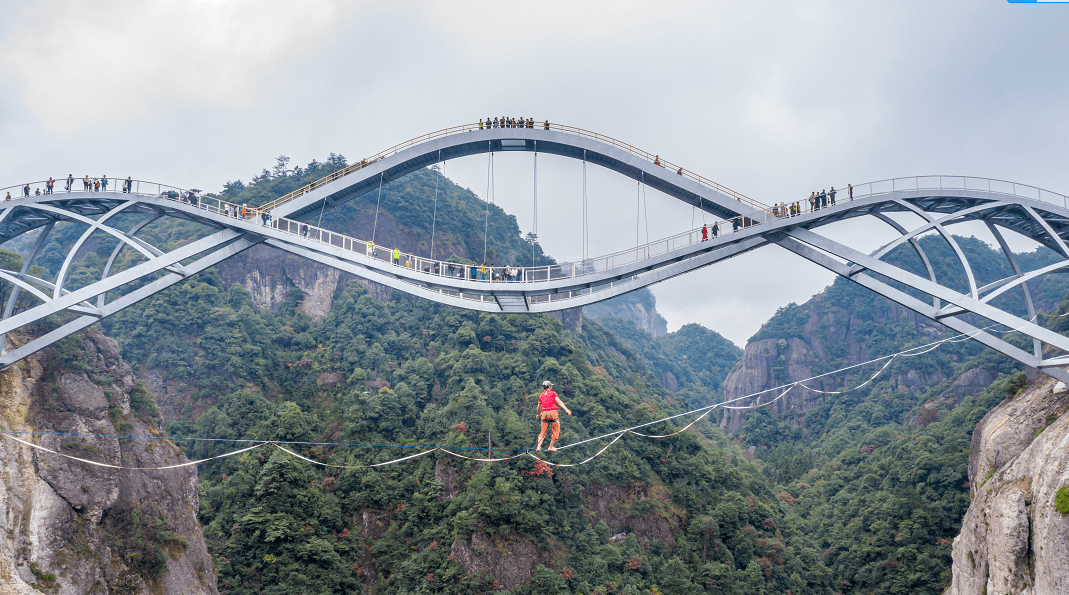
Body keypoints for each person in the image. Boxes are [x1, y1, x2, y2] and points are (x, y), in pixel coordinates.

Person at [535, 380, 572, 452]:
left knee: (542, 432)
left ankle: (538, 447)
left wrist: (538, 415)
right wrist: (567, 410)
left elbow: (538, 407)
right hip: (553, 413)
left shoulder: (541, 395)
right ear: (549, 386)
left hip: (544, 414)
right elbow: (559, 402)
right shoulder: (553, 393)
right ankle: (550, 446)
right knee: (556, 430)